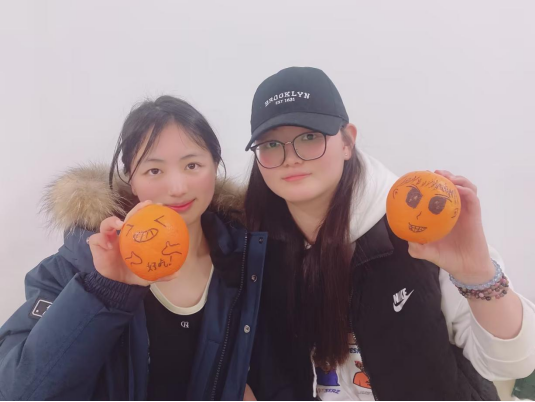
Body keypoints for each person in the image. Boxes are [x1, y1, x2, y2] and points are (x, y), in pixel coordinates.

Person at [245, 67, 535, 400]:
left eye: (310, 137)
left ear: (347, 141)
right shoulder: (256, 247)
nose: (291, 158)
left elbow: (512, 363)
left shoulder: (416, 225)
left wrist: (478, 274)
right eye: (271, 144)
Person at [0, 96, 267, 401]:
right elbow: (18, 392)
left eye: (192, 165)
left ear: (215, 167)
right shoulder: (75, 265)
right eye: (154, 170)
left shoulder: (247, 261)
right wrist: (105, 290)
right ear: (132, 179)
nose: (177, 187)